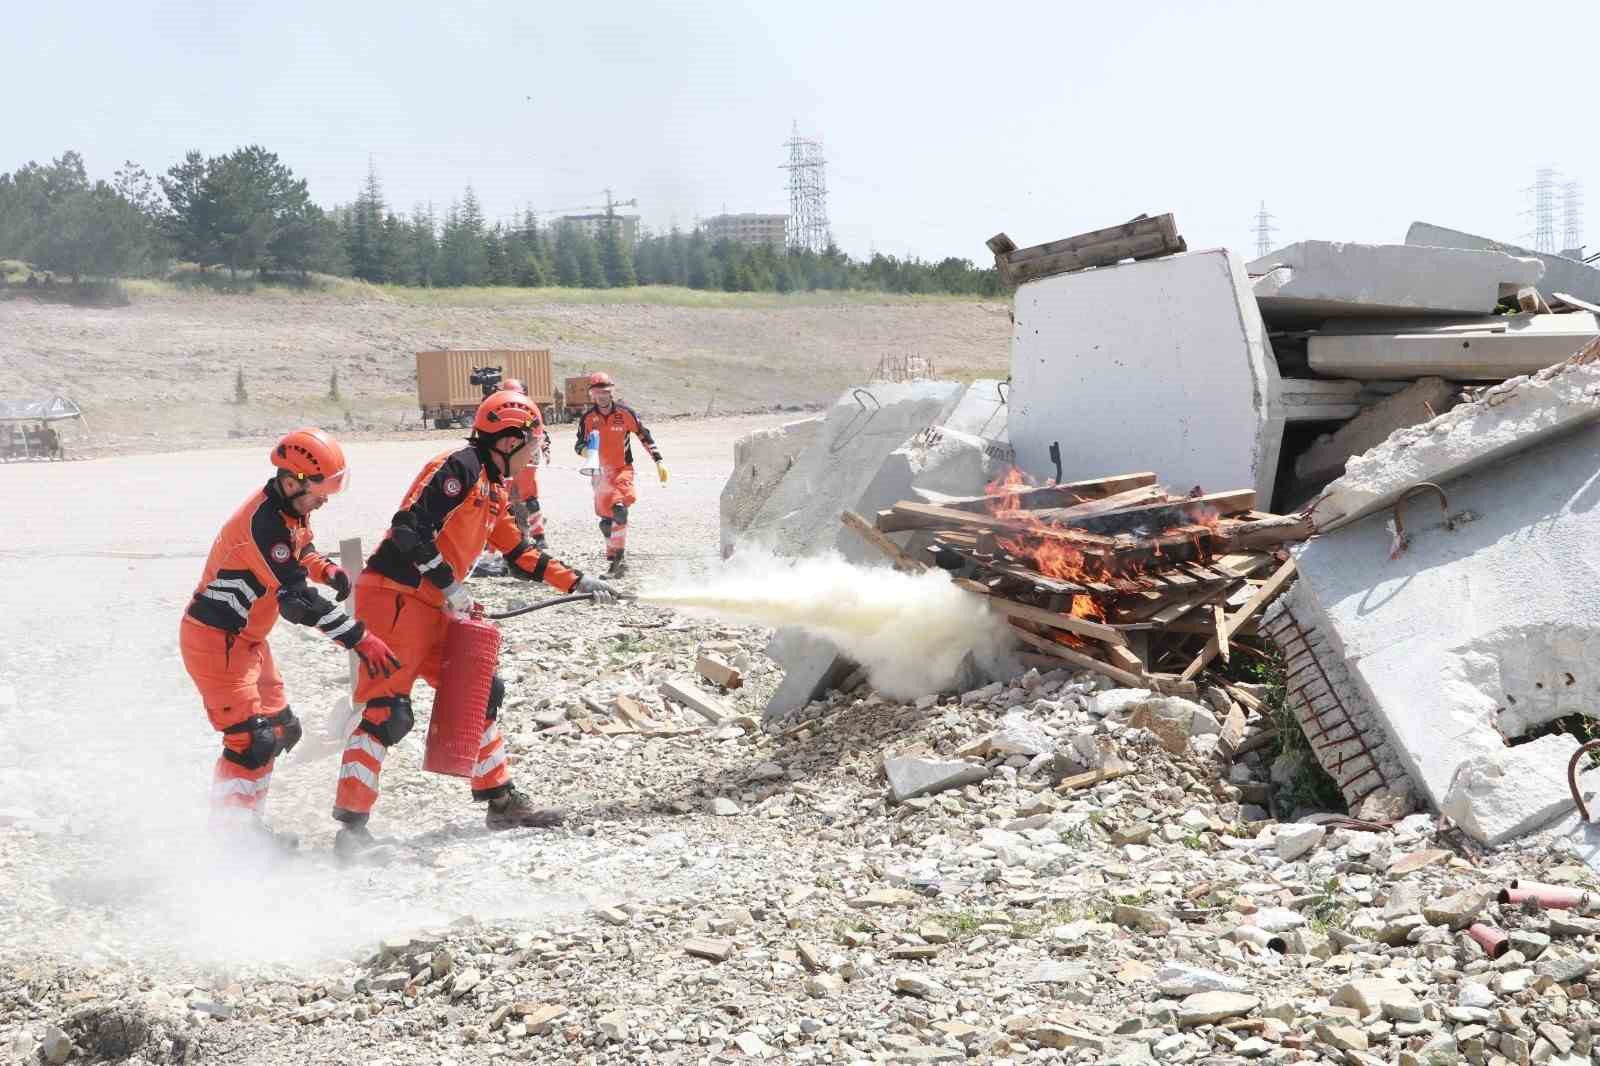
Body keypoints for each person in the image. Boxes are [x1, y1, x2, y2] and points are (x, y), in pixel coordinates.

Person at [332, 390, 617, 856]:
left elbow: (520, 554)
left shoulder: (494, 486)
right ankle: (352, 830)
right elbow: (408, 530)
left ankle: (500, 801)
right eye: (530, 443)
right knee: (388, 712)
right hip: (394, 599)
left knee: (482, 689)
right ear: (506, 440)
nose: (533, 454)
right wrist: (450, 586)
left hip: (434, 604)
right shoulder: (459, 468)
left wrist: (577, 581)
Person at [180, 428, 402, 848]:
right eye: (320, 491)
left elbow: (300, 551)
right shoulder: (261, 525)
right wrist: (360, 639)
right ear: (292, 480)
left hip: (248, 643)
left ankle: (244, 826)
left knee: (281, 730)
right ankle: (230, 840)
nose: (325, 499)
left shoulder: (289, 511)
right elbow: (298, 602)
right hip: (216, 642)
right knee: (251, 739)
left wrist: (326, 569)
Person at [572, 372, 666, 577]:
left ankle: (618, 563)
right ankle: (614, 557)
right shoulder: (588, 419)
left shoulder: (625, 413)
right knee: (606, 521)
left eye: (606, 392)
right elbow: (578, 444)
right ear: (591, 395)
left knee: (620, 510)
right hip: (600, 474)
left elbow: (644, 436)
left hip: (623, 469)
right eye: (598, 392)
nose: (603, 396)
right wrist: (586, 451)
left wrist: (658, 461)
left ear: (612, 392)